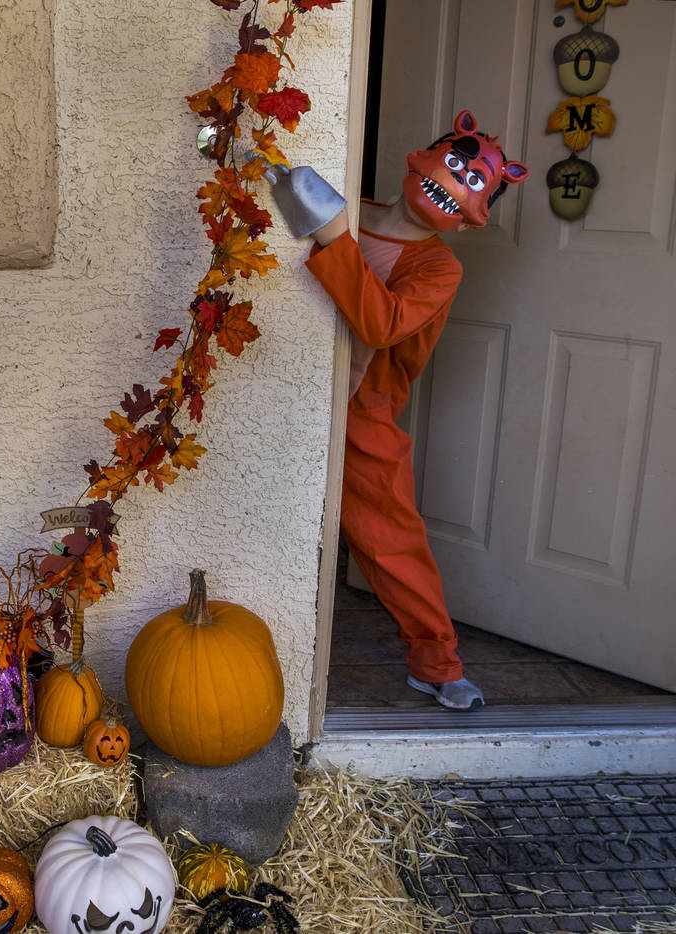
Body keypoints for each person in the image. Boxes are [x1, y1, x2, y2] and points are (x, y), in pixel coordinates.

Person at [270, 110, 529, 710]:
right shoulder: (344, 208)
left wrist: (334, 234)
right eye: (457, 162)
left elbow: (382, 324)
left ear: (473, 216)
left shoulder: (438, 266)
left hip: (365, 409)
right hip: (288, 388)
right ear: (422, 156)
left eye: (476, 182)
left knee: (390, 537)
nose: (457, 179)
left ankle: (435, 661)